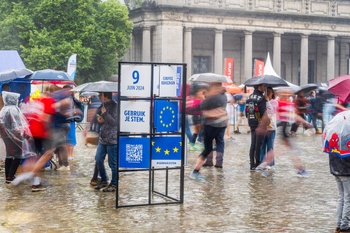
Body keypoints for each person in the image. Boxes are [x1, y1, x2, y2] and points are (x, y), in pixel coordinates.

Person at [256, 88, 311, 177]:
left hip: (284, 128)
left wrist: (304, 122)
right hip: (283, 128)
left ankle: (264, 164)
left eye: (288, 94)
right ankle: (300, 169)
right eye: (285, 94)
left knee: (285, 150)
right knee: (289, 150)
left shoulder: (289, 103)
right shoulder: (278, 103)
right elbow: (268, 114)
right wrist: (262, 126)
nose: (287, 95)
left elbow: (294, 115)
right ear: (280, 94)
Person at [189, 82, 228, 180]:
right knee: (213, 145)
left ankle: (196, 170)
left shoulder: (211, 98)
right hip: (216, 124)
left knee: (208, 148)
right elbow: (205, 109)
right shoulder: (222, 96)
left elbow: (203, 107)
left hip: (210, 125)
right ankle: (214, 163)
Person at [0, 91, 32, 184]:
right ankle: (10, 176)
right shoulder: (14, 109)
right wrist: (24, 134)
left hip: (6, 136)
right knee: (18, 156)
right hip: (15, 136)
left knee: (9, 155)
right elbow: (17, 125)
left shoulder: (4, 109)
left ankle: (8, 176)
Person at [93, 92, 118, 192]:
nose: (98, 96)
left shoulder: (115, 106)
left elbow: (114, 122)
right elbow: (101, 118)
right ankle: (104, 180)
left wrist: (105, 114)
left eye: (100, 95)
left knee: (112, 163)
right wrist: (100, 118)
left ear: (105, 96)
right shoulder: (102, 105)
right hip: (103, 137)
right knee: (98, 159)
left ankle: (114, 183)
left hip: (112, 138)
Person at [245, 84, 267, 171]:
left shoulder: (249, 97)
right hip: (260, 123)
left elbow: (247, 111)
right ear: (259, 87)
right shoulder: (261, 98)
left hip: (251, 122)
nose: (264, 88)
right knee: (259, 144)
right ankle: (258, 163)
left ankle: (252, 164)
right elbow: (263, 113)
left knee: (253, 144)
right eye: (263, 86)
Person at [257, 87, 278, 172]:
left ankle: (270, 163)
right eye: (267, 92)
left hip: (272, 127)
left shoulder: (274, 102)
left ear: (272, 93)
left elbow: (272, 111)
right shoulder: (262, 101)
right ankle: (263, 162)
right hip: (264, 127)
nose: (268, 94)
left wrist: (268, 101)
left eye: (270, 92)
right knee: (262, 146)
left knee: (270, 146)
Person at [186, 82, 208, 150]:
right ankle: (198, 143)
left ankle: (193, 144)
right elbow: (196, 107)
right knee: (201, 130)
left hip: (197, 116)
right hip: (197, 116)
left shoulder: (196, 99)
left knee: (198, 131)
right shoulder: (197, 100)